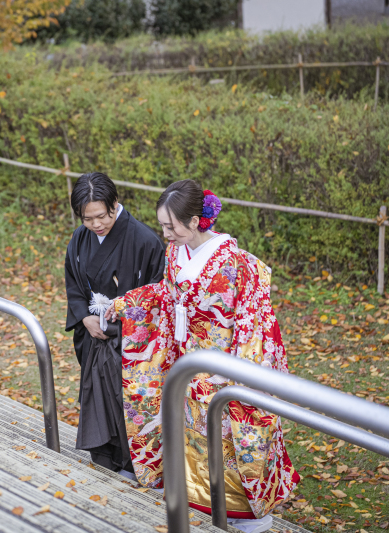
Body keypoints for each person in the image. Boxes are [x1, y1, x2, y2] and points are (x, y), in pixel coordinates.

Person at [108, 179, 299, 532]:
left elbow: (253, 318)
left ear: (195, 221)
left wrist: (244, 369)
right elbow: (165, 295)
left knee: (231, 437)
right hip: (184, 362)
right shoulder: (175, 253)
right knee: (190, 437)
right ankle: (203, 503)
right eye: (163, 226)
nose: (165, 234)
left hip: (225, 363)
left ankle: (247, 514)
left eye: (171, 226)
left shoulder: (236, 263)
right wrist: (125, 303)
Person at [64, 172, 167, 474]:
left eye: (101, 216)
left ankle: (137, 465)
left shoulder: (145, 240)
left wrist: (122, 323)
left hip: (132, 341)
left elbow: (157, 294)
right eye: (87, 219)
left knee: (130, 404)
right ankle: (107, 457)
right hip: (93, 336)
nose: (96, 224)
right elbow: (73, 282)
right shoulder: (80, 239)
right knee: (98, 399)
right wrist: (84, 317)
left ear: (115, 203)